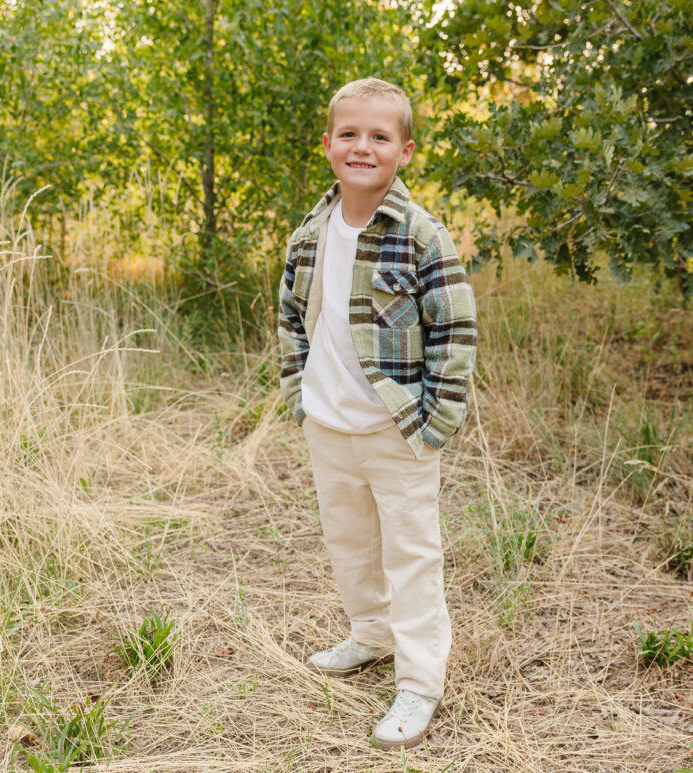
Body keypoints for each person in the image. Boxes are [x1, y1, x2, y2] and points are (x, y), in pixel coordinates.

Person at [276, 77, 477, 749]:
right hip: (330, 424)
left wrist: (436, 420)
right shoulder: (309, 234)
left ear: (406, 150)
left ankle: (420, 681)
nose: (363, 146)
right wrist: (297, 394)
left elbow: (454, 329)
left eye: (380, 136)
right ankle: (369, 634)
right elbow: (291, 320)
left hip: (398, 430)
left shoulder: (420, 236)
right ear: (328, 143)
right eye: (349, 134)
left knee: (411, 554)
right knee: (349, 543)